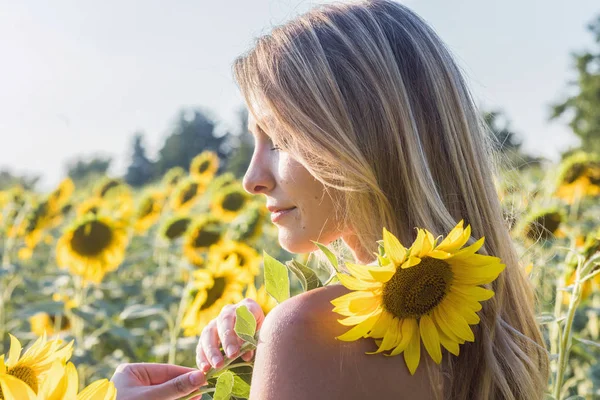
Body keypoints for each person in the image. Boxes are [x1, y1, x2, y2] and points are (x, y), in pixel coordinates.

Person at [113, 0, 549, 399]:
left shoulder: (309, 332)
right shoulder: (505, 329)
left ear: (364, 142)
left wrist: (283, 339)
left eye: (281, 138)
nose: (251, 179)